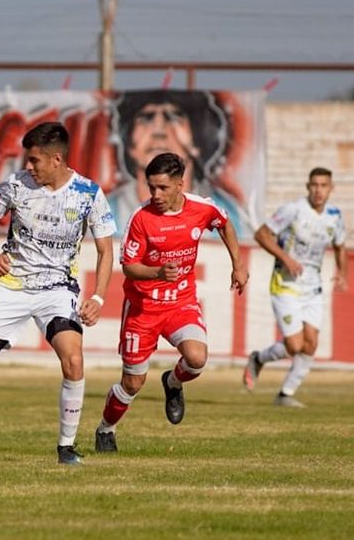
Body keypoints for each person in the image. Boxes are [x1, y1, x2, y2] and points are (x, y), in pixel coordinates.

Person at [0, 122, 116, 465]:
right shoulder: (15, 186)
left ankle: (66, 447)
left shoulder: (89, 193)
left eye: (34, 161)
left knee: (73, 359)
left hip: (58, 289)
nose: (28, 167)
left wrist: (99, 297)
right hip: (11, 286)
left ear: (56, 159)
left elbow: (106, 251)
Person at [94, 152, 248, 453]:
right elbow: (128, 266)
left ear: (180, 184)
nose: (155, 194)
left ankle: (173, 383)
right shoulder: (141, 218)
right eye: (151, 187)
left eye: (163, 188)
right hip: (143, 309)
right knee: (132, 384)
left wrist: (238, 265)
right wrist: (157, 273)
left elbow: (225, 224)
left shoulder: (202, 208)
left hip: (180, 303)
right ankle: (105, 429)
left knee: (196, 359)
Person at [243, 168, 347, 407]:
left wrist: (342, 273)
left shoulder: (334, 216)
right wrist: (286, 258)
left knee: (311, 344)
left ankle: (285, 394)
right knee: (294, 345)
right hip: (285, 284)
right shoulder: (293, 210)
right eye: (315, 185)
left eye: (324, 185)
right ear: (307, 186)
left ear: (331, 188)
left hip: (313, 288)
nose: (319, 190)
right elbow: (262, 234)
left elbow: (341, 246)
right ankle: (258, 358)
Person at [109, 90, 252, 237]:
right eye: (146, 119)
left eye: (174, 118)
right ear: (129, 145)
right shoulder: (107, 211)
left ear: (198, 141)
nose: (159, 131)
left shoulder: (226, 214)